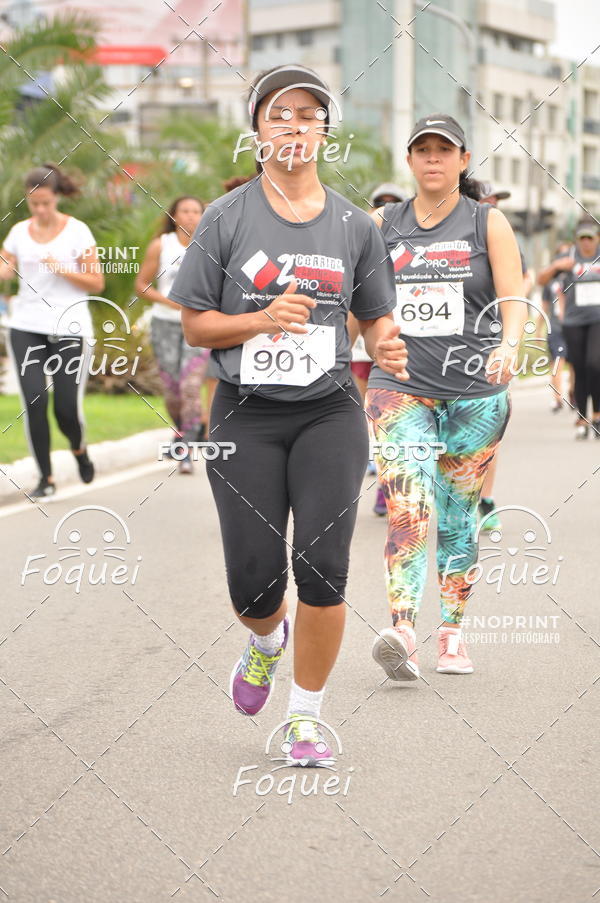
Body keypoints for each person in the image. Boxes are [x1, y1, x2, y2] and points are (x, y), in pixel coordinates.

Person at [168, 64, 408, 765]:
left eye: (308, 115)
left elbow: (372, 322)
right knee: (254, 580)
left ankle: (305, 717)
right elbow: (194, 327)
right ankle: (265, 640)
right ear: (258, 129)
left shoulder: (353, 226)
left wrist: (384, 340)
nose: (295, 126)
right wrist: (260, 318)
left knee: (324, 565)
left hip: (329, 411)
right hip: (244, 412)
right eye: (280, 113)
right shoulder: (226, 217)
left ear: (324, 132)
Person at [367, 114, 526, 680]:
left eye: (444, 150)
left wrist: (509, 344)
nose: (433, 158)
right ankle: (404, 631)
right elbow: (359, 301)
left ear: (463, 160)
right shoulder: (382, 223)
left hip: (474, 391)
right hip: (400, 388)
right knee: (408, 508)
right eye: (422, 149)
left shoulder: (488, 222)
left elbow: (513, 296)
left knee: (459, 516)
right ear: (409, 161)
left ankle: (452, 635)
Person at [0, 163, 105, 499]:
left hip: (70, 328)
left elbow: (96, 282)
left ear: (57, 197)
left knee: (65, 408)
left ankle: (79, 448)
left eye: (45, 202)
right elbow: (5, 265)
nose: (41, 209)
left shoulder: (78, 231)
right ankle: (46, 477)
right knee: (34, 400)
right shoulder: (18, 232)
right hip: (26, 326)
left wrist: (63, 270)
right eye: (34, 203)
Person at [135, 196, 208, 473]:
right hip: (165, 323)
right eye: (184, 211)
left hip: (198, 325)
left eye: (195, 211)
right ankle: (182, 431)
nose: (190, 216)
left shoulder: (209, 246)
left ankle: (186, 448)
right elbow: (141, 285)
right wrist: (171, 302)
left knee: (190, 386)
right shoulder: (161, 246)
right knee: (172, 389)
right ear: (175, 216)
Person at [476, 181, 533, 531]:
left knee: (486, 433)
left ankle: (484, 499)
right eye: (486, 199)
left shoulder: (502, 235)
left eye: (496, 200)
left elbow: (521, 282)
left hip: (491, 344)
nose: (492, 205)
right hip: (437, 356)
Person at [350, 182, 406, 508]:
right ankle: (376, 464)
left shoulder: (412, 246)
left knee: (391, 415)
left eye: (393, 203)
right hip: (362, 344)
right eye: (381, 203)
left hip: (400, 344)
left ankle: (388, 486)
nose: (387, 208)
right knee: (368, 412)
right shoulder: (361, 244)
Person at [538, 221, 600, 439]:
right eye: (582, 238)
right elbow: (541, 280)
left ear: (597, 239)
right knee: (580, 369)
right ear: (577, 239)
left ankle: (598, 413)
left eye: (589, 238)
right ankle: (583, 416)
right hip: (573, 322)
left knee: (595, 364)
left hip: (597, 320)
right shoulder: (568, 257)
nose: (586, 242)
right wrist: (555, 267)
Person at [539, 241, 570, 414]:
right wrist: (538, 328)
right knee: (558, 361)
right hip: (556, 327)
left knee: (575, 365)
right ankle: (557, 397)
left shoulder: (577, 274)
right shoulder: (550, 281)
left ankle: (573, 392)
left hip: (575, 327)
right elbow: (544, 306)